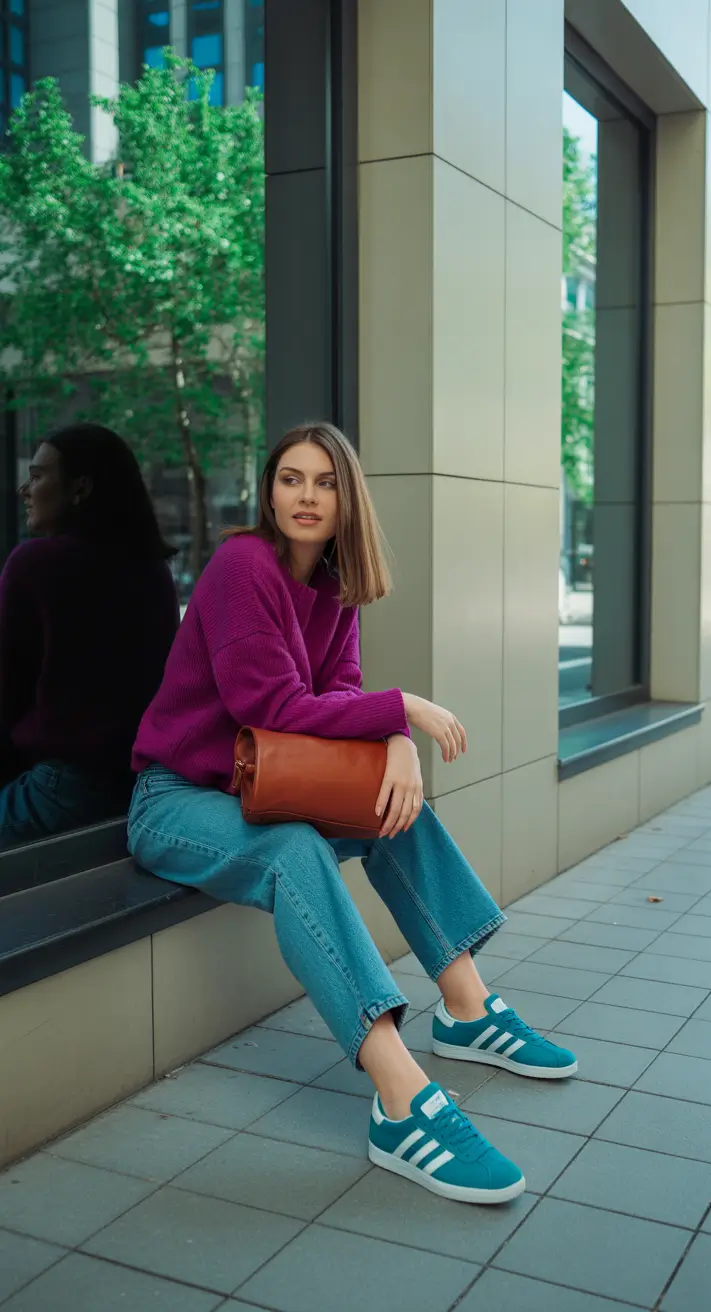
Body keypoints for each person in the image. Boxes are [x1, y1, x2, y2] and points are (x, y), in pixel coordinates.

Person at [129, 422, 577, 1206]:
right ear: (269, 490)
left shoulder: (334, 585)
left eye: (326, 482)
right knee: (293, 850)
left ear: (348, 499)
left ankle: (467, 1009)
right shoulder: (242, 566)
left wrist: (395, 740)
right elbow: (266, 705)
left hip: (260, 788)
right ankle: (400, 1096)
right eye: (291, 479)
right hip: (175, 799)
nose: (306, 496)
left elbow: (339, 695)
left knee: (393, 806)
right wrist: (400, 710)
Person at [0, 422, 180, 849]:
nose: (25, 489)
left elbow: (5, 692)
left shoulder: (36, 563)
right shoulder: (153, 572)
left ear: (80, 489)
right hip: (140, 790)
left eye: (39, 475)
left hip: (61, 792)